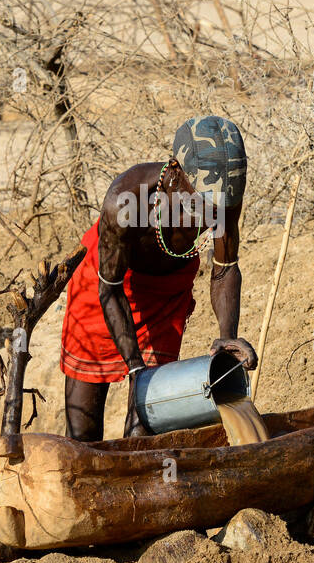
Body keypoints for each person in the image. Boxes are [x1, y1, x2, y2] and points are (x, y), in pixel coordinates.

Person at [59, 116, 257, 440]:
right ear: (176, 174)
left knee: (147, 420)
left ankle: (135, 489)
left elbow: (224, 268)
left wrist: (227, 337)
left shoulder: (223, 196)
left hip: (166, 295)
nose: (212, 214)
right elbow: (108, 289)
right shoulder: (127, 201)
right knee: (83, 431)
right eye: (203, 202)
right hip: (105, 288)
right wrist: (135, 367)